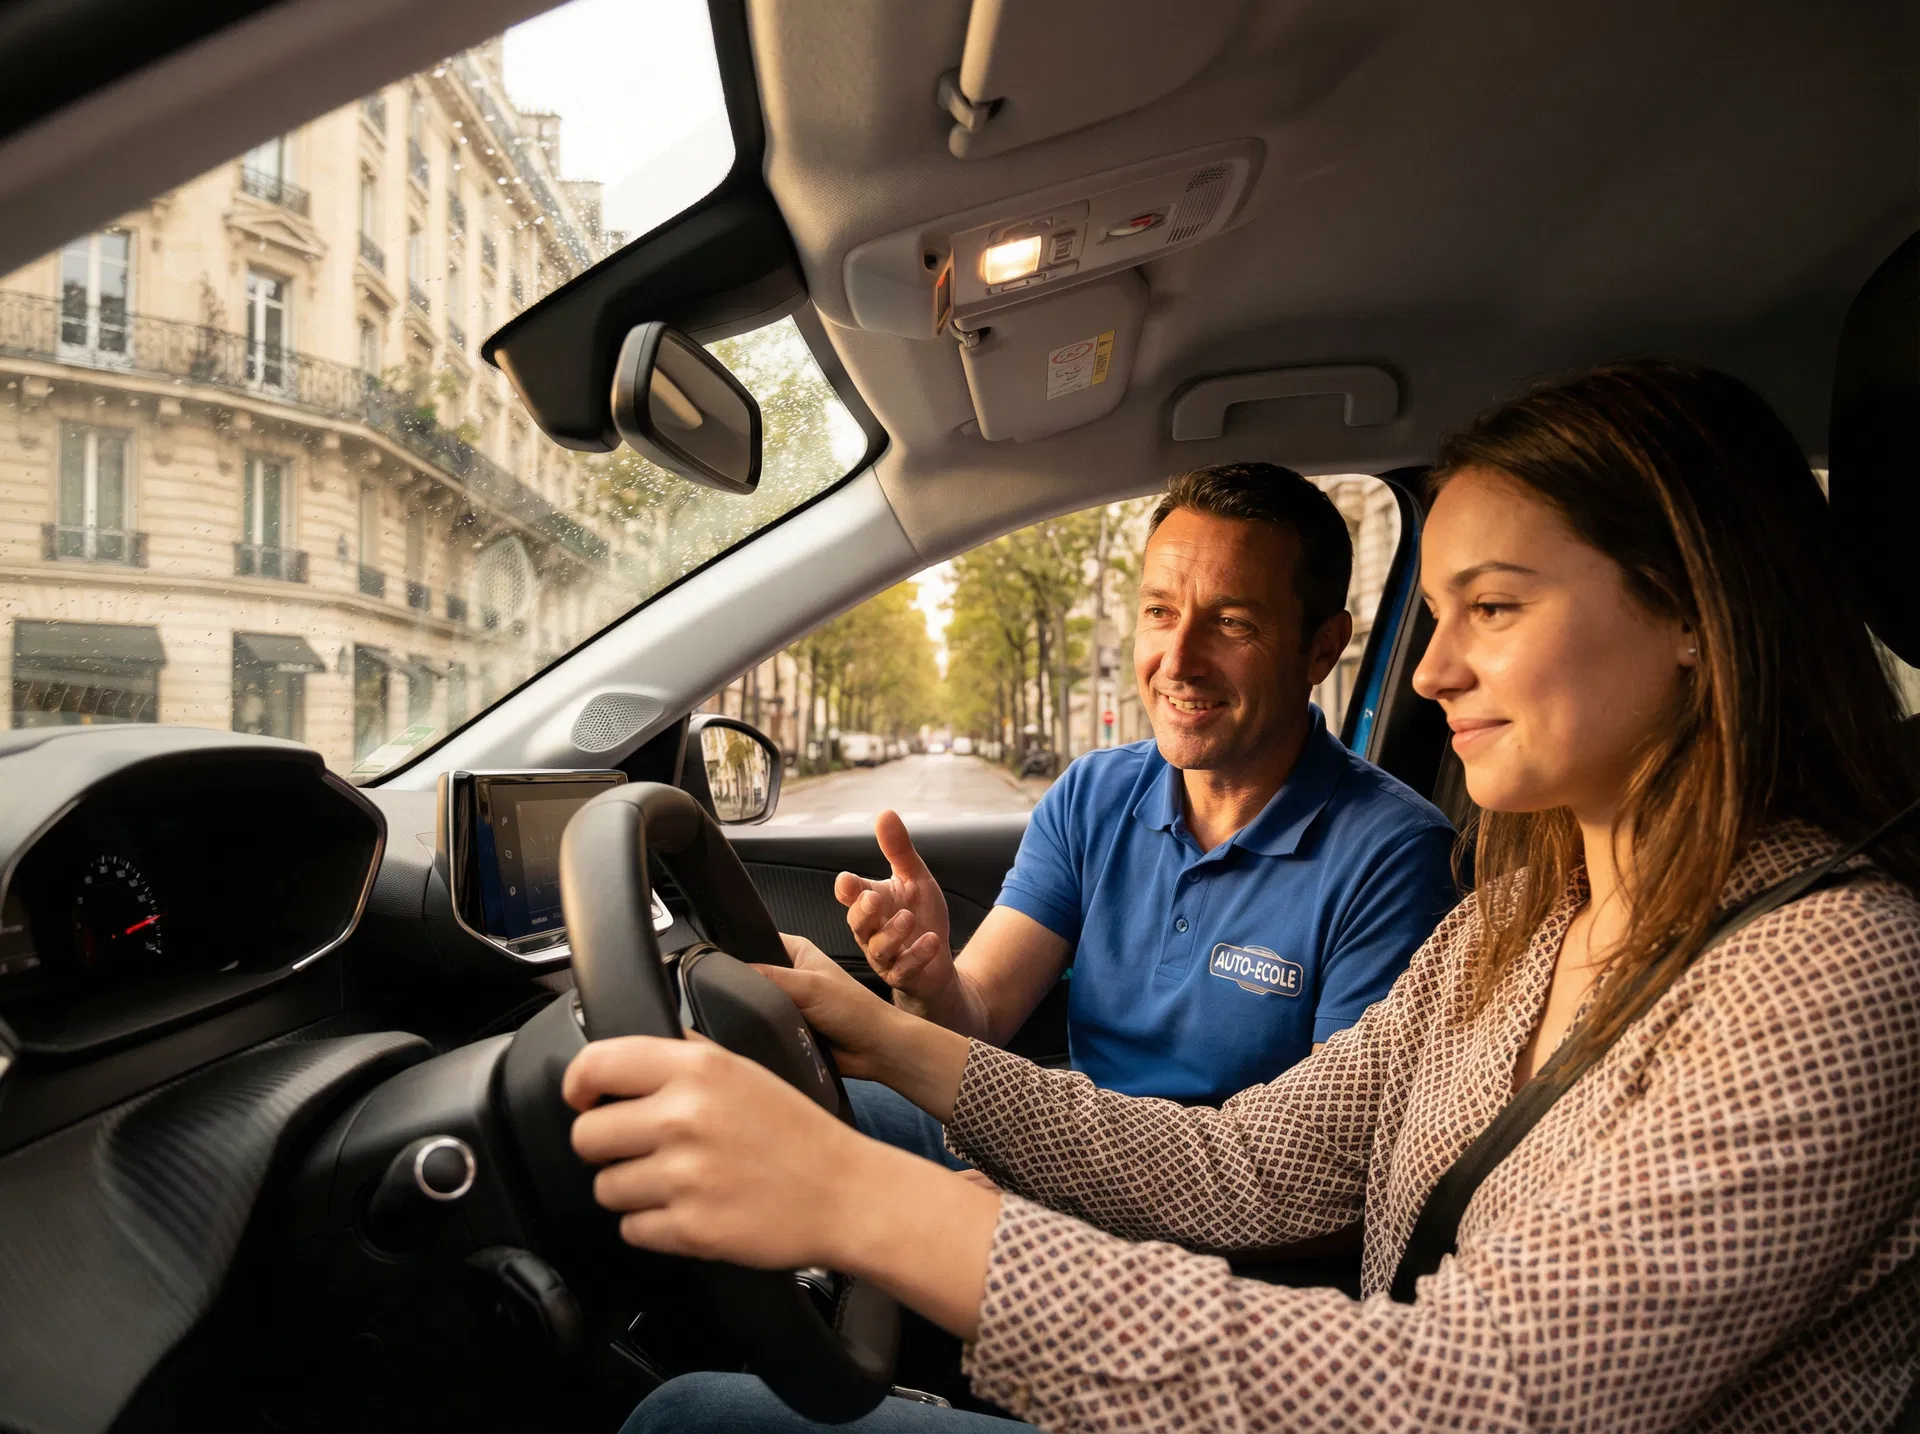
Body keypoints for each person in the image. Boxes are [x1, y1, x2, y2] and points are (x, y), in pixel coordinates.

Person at [573, 361, 1920, 1432]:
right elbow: (1244, 1162)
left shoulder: (1833, 977)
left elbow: (1472, 1393)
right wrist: (890, 1036)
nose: (1435, 672)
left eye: (1494, 608)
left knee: (693, 1415)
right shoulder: (1522, 925)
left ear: (1695, 613)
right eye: (1433, 613)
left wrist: (870, 1206)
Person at [840, 464, 1458, 1166]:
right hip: (1067, 1146)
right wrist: (926, 983)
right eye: (1160, 613)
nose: (1179, 660)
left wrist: (1036, 1218)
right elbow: (976, 1018)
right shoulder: (1092, 794)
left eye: (1231, 623)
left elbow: (1324, 1171)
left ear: (1321, 647)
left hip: (1211, 1219)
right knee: (788, 1093)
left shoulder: (1395, 857)